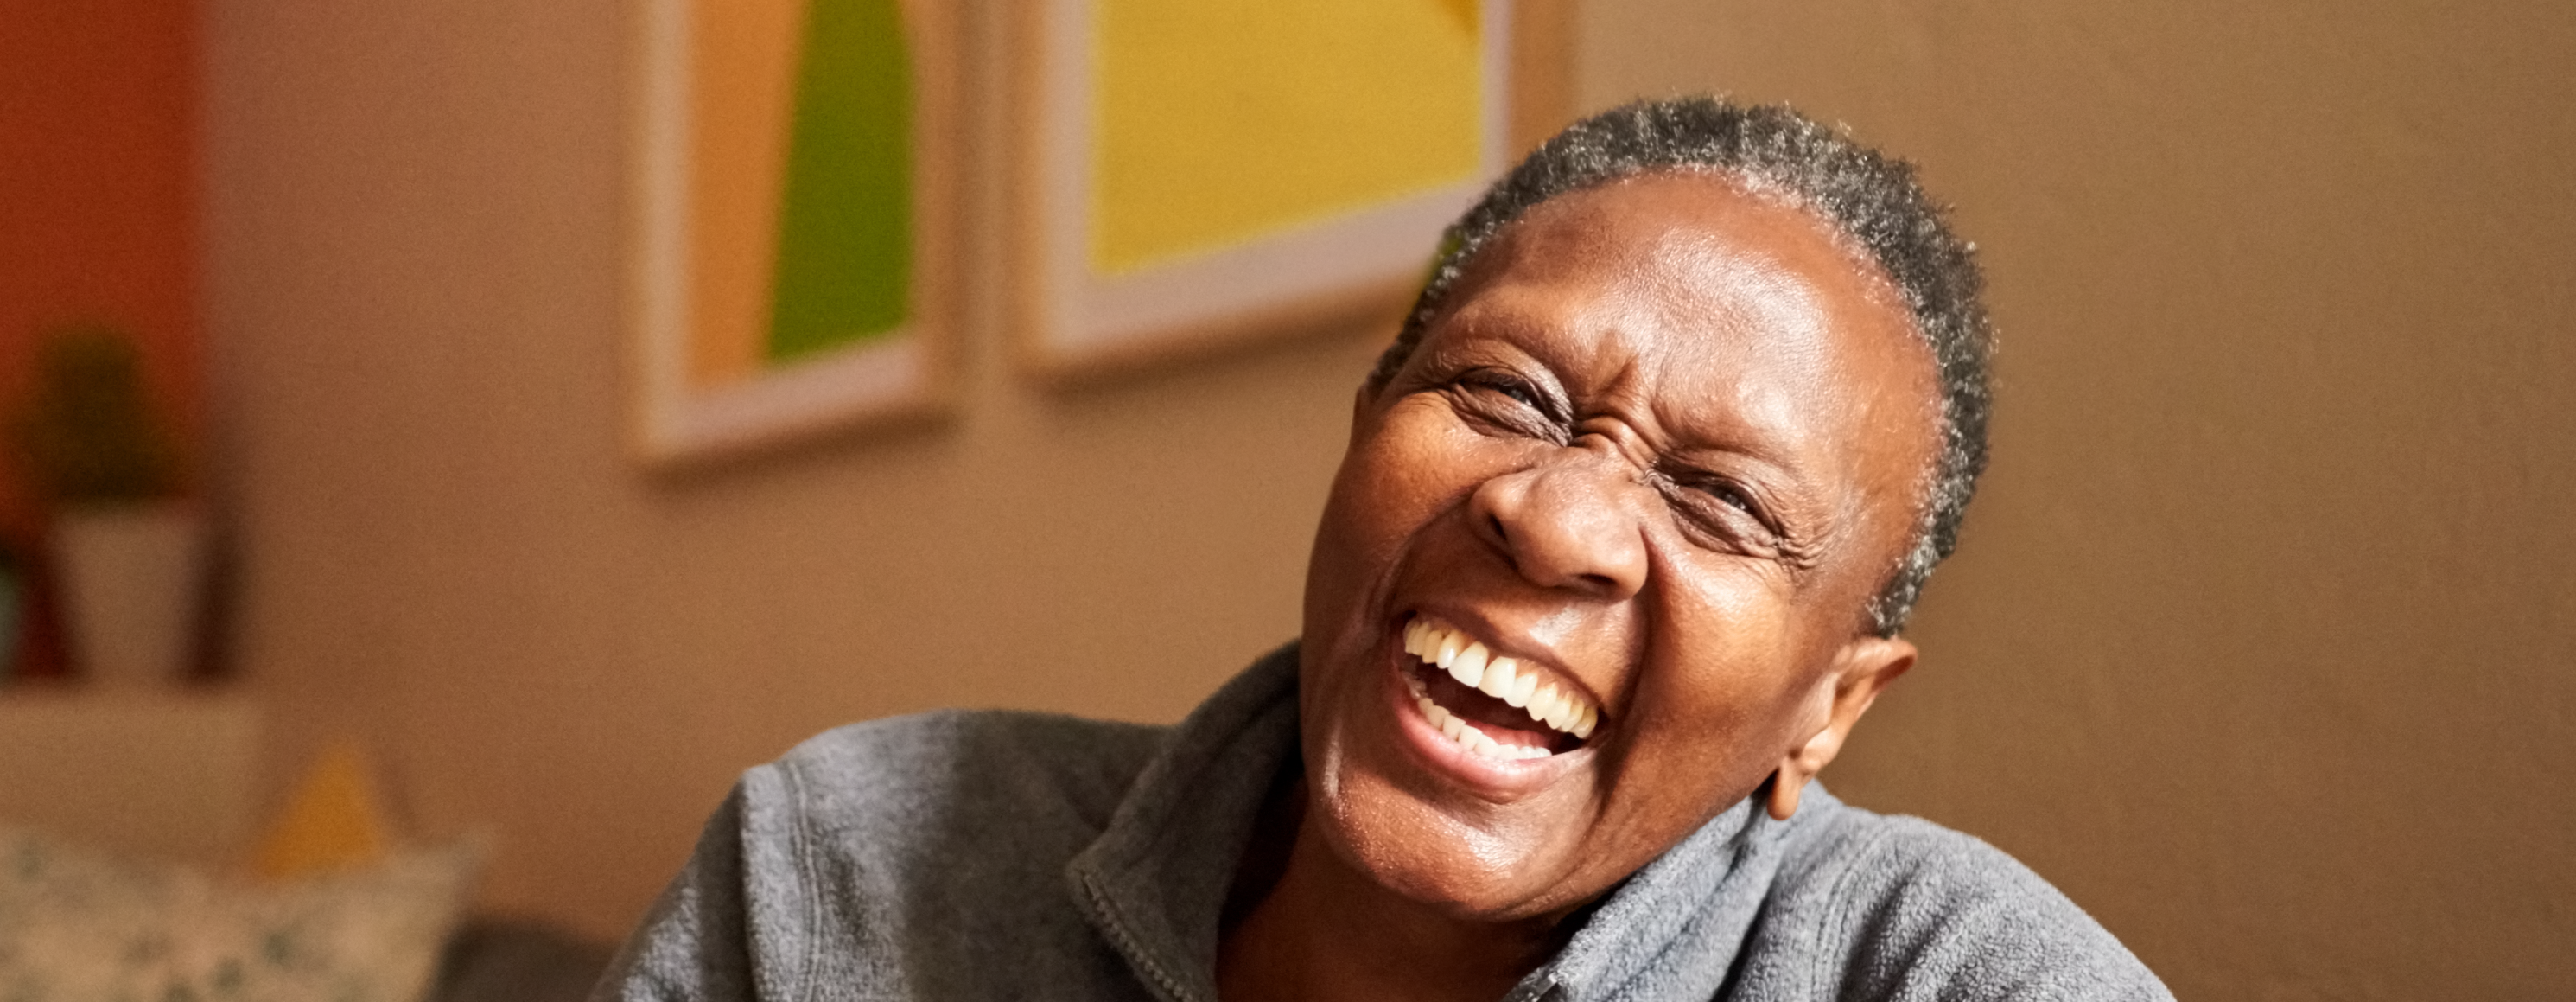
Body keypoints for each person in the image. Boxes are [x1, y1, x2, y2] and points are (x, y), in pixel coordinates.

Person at [597, 98, 2170, 1002]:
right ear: (1365, 424)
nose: (1553, 515)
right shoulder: (842, 874)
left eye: (1723, 502)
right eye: (1501, 394)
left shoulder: (1951, 977)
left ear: (1834, 704)